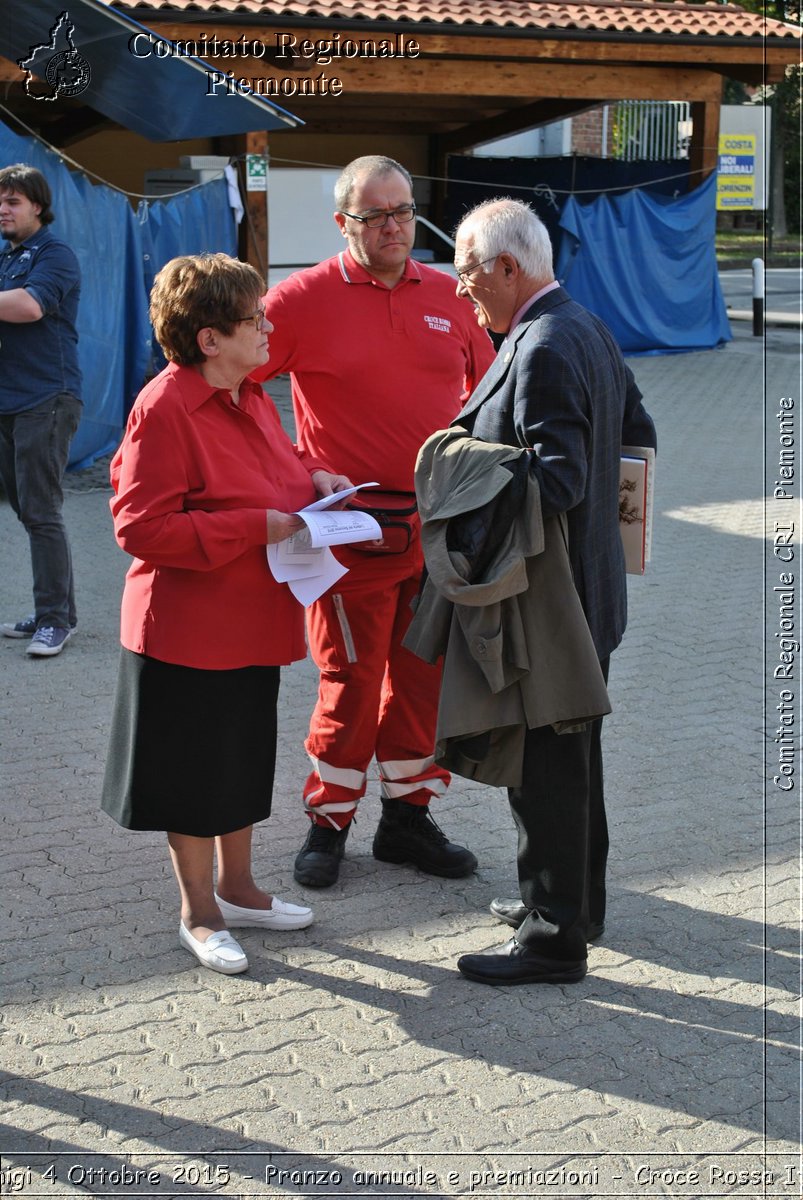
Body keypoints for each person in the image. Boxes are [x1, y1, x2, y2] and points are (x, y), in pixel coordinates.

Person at [101, 253, 352, 975]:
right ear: (209, 338)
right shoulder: (165, 407)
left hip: (250, 621)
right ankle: (199, 913)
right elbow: (139, 529)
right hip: (183, 631)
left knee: (239, 764)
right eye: (253, 320)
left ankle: (239, 890)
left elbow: (276, 464)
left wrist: (316, 478)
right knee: (191, 777)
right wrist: (254, 528)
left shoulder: (249, 391)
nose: (267, 329)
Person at [255, 155, 496, 888]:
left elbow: (489, 393)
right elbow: (234, 381)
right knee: (349, 681)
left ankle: (406, 818)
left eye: (403, 212)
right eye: (374, 216)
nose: (393, 228)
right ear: (342, 224)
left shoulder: (449, 295)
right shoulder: (298, 300)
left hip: (437, 531)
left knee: (421, 680)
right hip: (351, 533)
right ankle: (327, 822)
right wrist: (295, 468)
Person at [448, 198, 656, 985]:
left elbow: (557, 480)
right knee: (573, 764)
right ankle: (572, 905)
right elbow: (640, 434)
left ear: (507, 267)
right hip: (588, 591)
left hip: (549, 607)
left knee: (546, 771)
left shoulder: (539, 345)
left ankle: (552, 938)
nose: (464, 291)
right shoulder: (584, 325)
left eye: (469, 275)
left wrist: (459, 468)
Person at [0, 164, 82, 657]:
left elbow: (30, 307)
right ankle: (48, 609)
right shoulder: (7, 259)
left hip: (47, 400)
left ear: (37, 206)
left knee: (42, 511)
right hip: (9, 402)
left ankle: (57, 621)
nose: (3, 209)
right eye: (0, 201)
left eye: (13, 201)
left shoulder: (56, 255)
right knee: (29, 513)